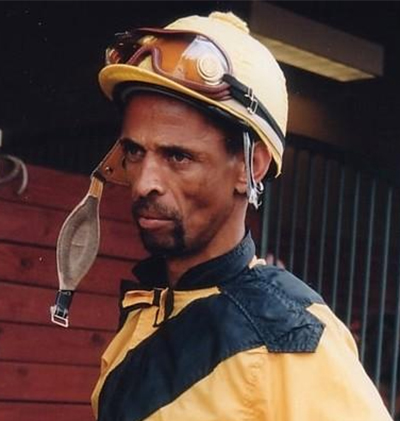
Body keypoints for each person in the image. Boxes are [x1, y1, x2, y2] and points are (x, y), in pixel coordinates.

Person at [86, 11, 392, 421]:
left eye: (178, 156)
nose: (144, 183)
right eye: (135, 152)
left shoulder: (294, 337)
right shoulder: (149, 305)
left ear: (252, 167)